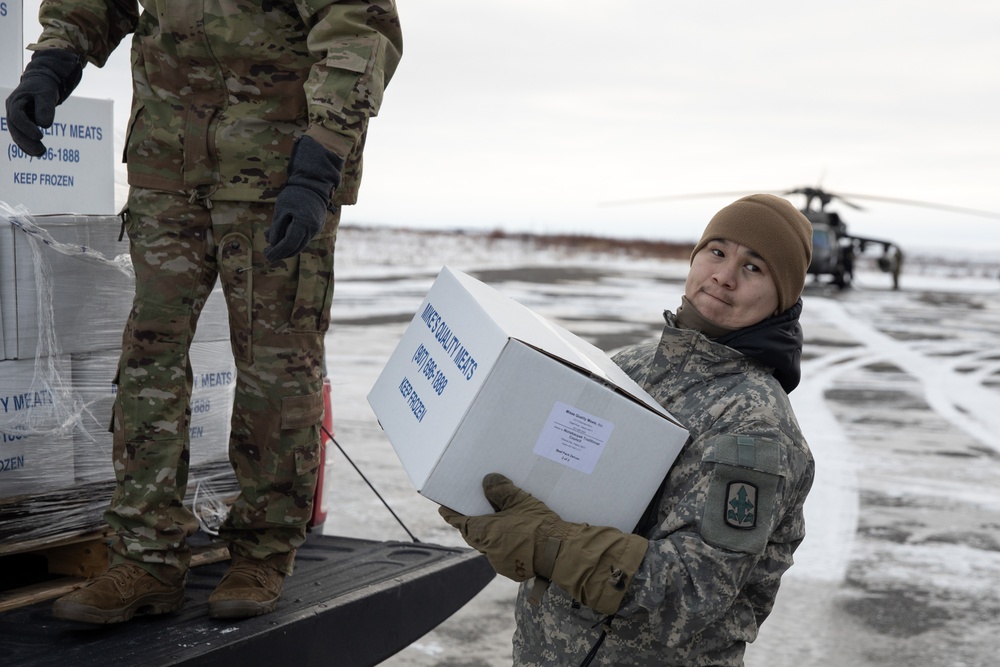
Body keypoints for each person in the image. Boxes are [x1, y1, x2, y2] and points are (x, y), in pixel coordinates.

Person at [5, 1, 402, 624]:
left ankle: (262, 552)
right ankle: (145, 558)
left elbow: (359, 29)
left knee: (276, 367)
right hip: (166, 162)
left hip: (278, 169)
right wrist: (55, 58)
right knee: (148, 356)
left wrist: (321, 156)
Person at [441, 194, 816, 665]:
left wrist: (546, 544)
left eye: (754, 267)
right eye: (717, 251)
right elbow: (558, 481)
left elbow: (694, 590)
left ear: (782, 297)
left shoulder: (755, 425)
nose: (724, 275)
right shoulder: (631, 368)